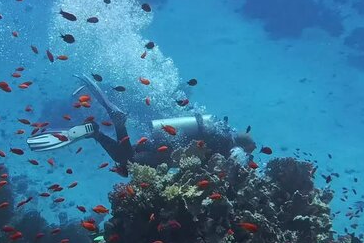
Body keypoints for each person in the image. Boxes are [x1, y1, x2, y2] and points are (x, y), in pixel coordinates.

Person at [27, 75, 247, 176]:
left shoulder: (222, 134)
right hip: (169, 148)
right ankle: (117, 122)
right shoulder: (227, 148)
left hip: (167, 142)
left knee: (125, 163)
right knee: (129, 162)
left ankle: (95, 132)